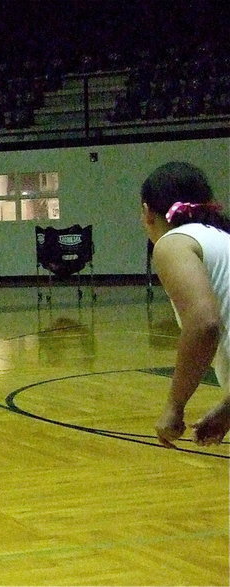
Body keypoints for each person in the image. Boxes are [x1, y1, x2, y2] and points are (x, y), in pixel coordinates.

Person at [141, 161, 230, 448]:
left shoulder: (174, 243)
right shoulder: (223, 239)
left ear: (146, 212)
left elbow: (204, 325)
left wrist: (174, 406)